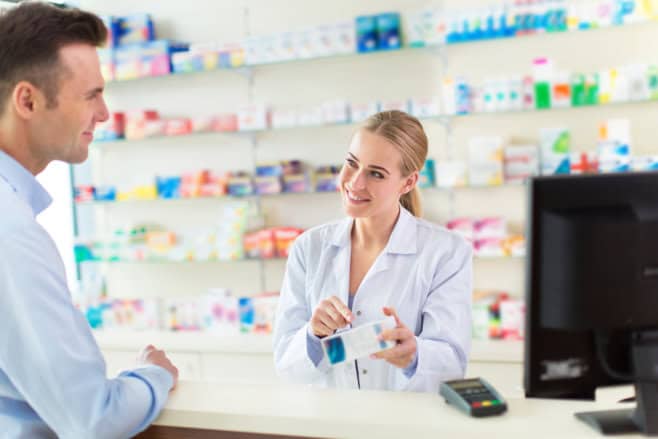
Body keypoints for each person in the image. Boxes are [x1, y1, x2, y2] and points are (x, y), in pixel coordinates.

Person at [0, 3, 178, 437]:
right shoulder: (11, 232)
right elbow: (94, 419)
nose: (103, 113)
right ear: (28, 99)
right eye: (91, 95)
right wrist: (153, 374)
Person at [273, 110, 472, 392]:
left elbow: (452, 365)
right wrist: (314, 334)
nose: (355, 183)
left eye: (376, 174)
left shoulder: (446, 252)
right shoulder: (310, 247)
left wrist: (414, 355)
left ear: (408, 182)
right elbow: (286, 366)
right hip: (326, 425)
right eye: (351, 164)